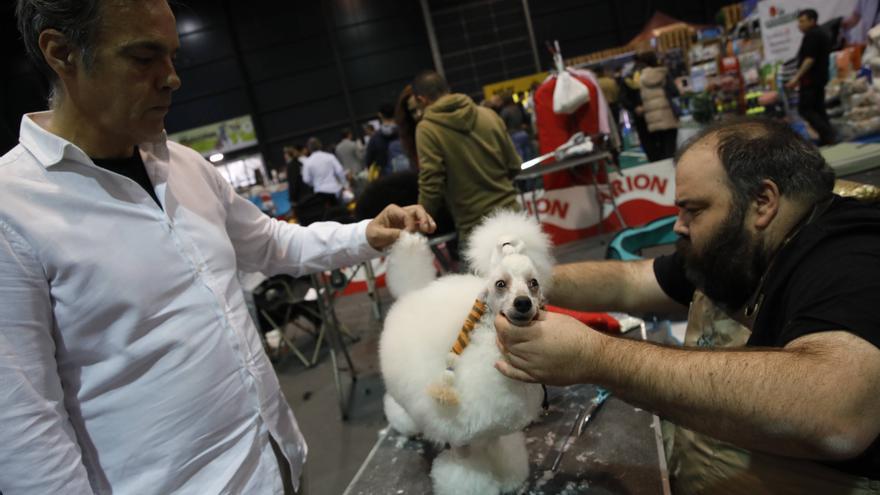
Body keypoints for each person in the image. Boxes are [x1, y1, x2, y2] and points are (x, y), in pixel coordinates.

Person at [1, 1, 436, 494]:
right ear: (61, 52)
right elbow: (24, 428)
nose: (171, 78)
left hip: (279, 465)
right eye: (144, 58)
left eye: (172, 57)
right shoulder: (13, 210)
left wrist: (364, 234)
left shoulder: (184, 165)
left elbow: (270, 242)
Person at [494, 117, 880, 493]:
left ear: (763, 202)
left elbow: (837, 416)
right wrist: (525, 279)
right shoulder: (735, 249)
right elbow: (632, 280)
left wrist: (596, 358)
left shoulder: (852, 256)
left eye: (693, 210)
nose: (678, 225)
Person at [411, 70, 522, 245]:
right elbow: (515, 165)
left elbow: (431, 183)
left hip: (476, 229)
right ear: (448, 89)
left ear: (422, 99)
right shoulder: (488, 114)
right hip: (514, 218)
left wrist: (420, 220)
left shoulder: (427, 129)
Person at [786, 9, 836, 146]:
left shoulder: (813, 35)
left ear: (812, 21)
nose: (799, 25)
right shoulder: (821, 33)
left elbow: (809, 59)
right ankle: (828, 138)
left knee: (805, 109)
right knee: (818, 109)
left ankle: (828, 134)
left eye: (802, 21)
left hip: (811, 80)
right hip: (819, 78)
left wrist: (796, 78)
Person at [636, 51, 680, 161]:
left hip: (652, 118)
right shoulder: (663, 73)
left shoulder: (641, 78)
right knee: (671, 148)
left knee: (660, 150)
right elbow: (674, 91)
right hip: (667, 114)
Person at [364, 102, 407, 175]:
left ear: (380, 115)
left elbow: (368, 161)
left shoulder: (375, 138)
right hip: (408, 175)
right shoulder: (405, 132)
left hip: (386, 179)